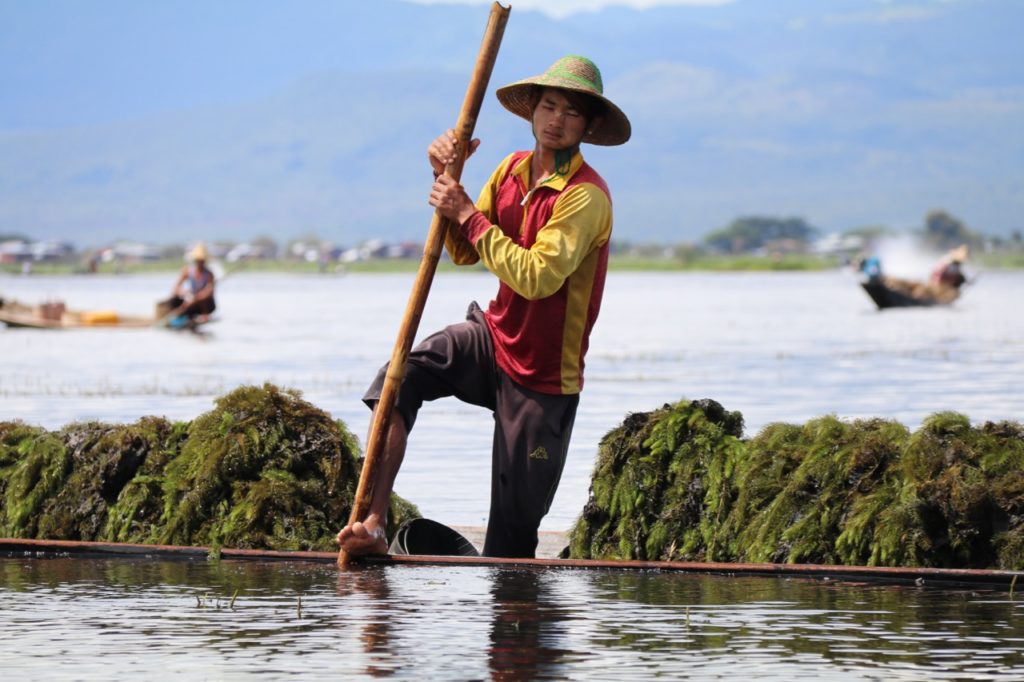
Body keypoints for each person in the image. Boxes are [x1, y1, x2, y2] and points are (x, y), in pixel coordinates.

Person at [336, 55, 631, 559]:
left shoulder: (586, 197)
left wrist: (466, 211)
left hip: (543, 375)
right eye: (549, 106)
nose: (556, 120)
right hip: (492, 338)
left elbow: (537, 277)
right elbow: (466, 250)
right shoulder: (512, 170)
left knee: (509, 548)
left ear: (589, 125)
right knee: (399, 378)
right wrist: (445, 178)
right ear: (532, 112)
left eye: (571, 113)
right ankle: (374, 523)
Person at [161, 242, 216, 322]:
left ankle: (204, 316)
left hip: (203, 304)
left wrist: (196, 298)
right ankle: (184, 316)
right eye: (198, 260)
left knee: (204, 300)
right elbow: (176, 287)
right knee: (174, 299)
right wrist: (185, 294)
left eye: (202, 261)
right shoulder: (188, 271)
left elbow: (209, 292)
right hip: (190, 300)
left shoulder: (209, 274)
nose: (200, 263)